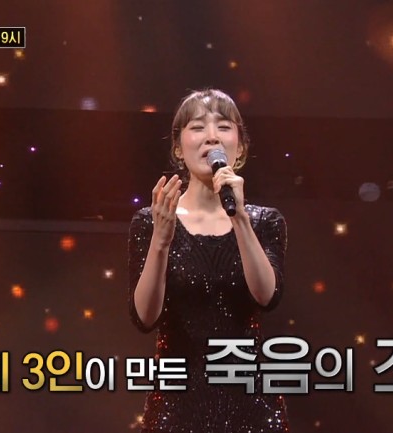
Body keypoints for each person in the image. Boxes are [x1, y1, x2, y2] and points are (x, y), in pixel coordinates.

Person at [128, 89, 290, 432]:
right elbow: (144, 317)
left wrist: (240, 217)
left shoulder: (265, 221)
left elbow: (267, 296)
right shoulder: (151, 221)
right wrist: (161, 240)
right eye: (198, 127)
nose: (212, 136)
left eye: (224, 127)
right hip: (176, 404)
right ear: (178, 147)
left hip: (250, 404)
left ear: (240, 148)